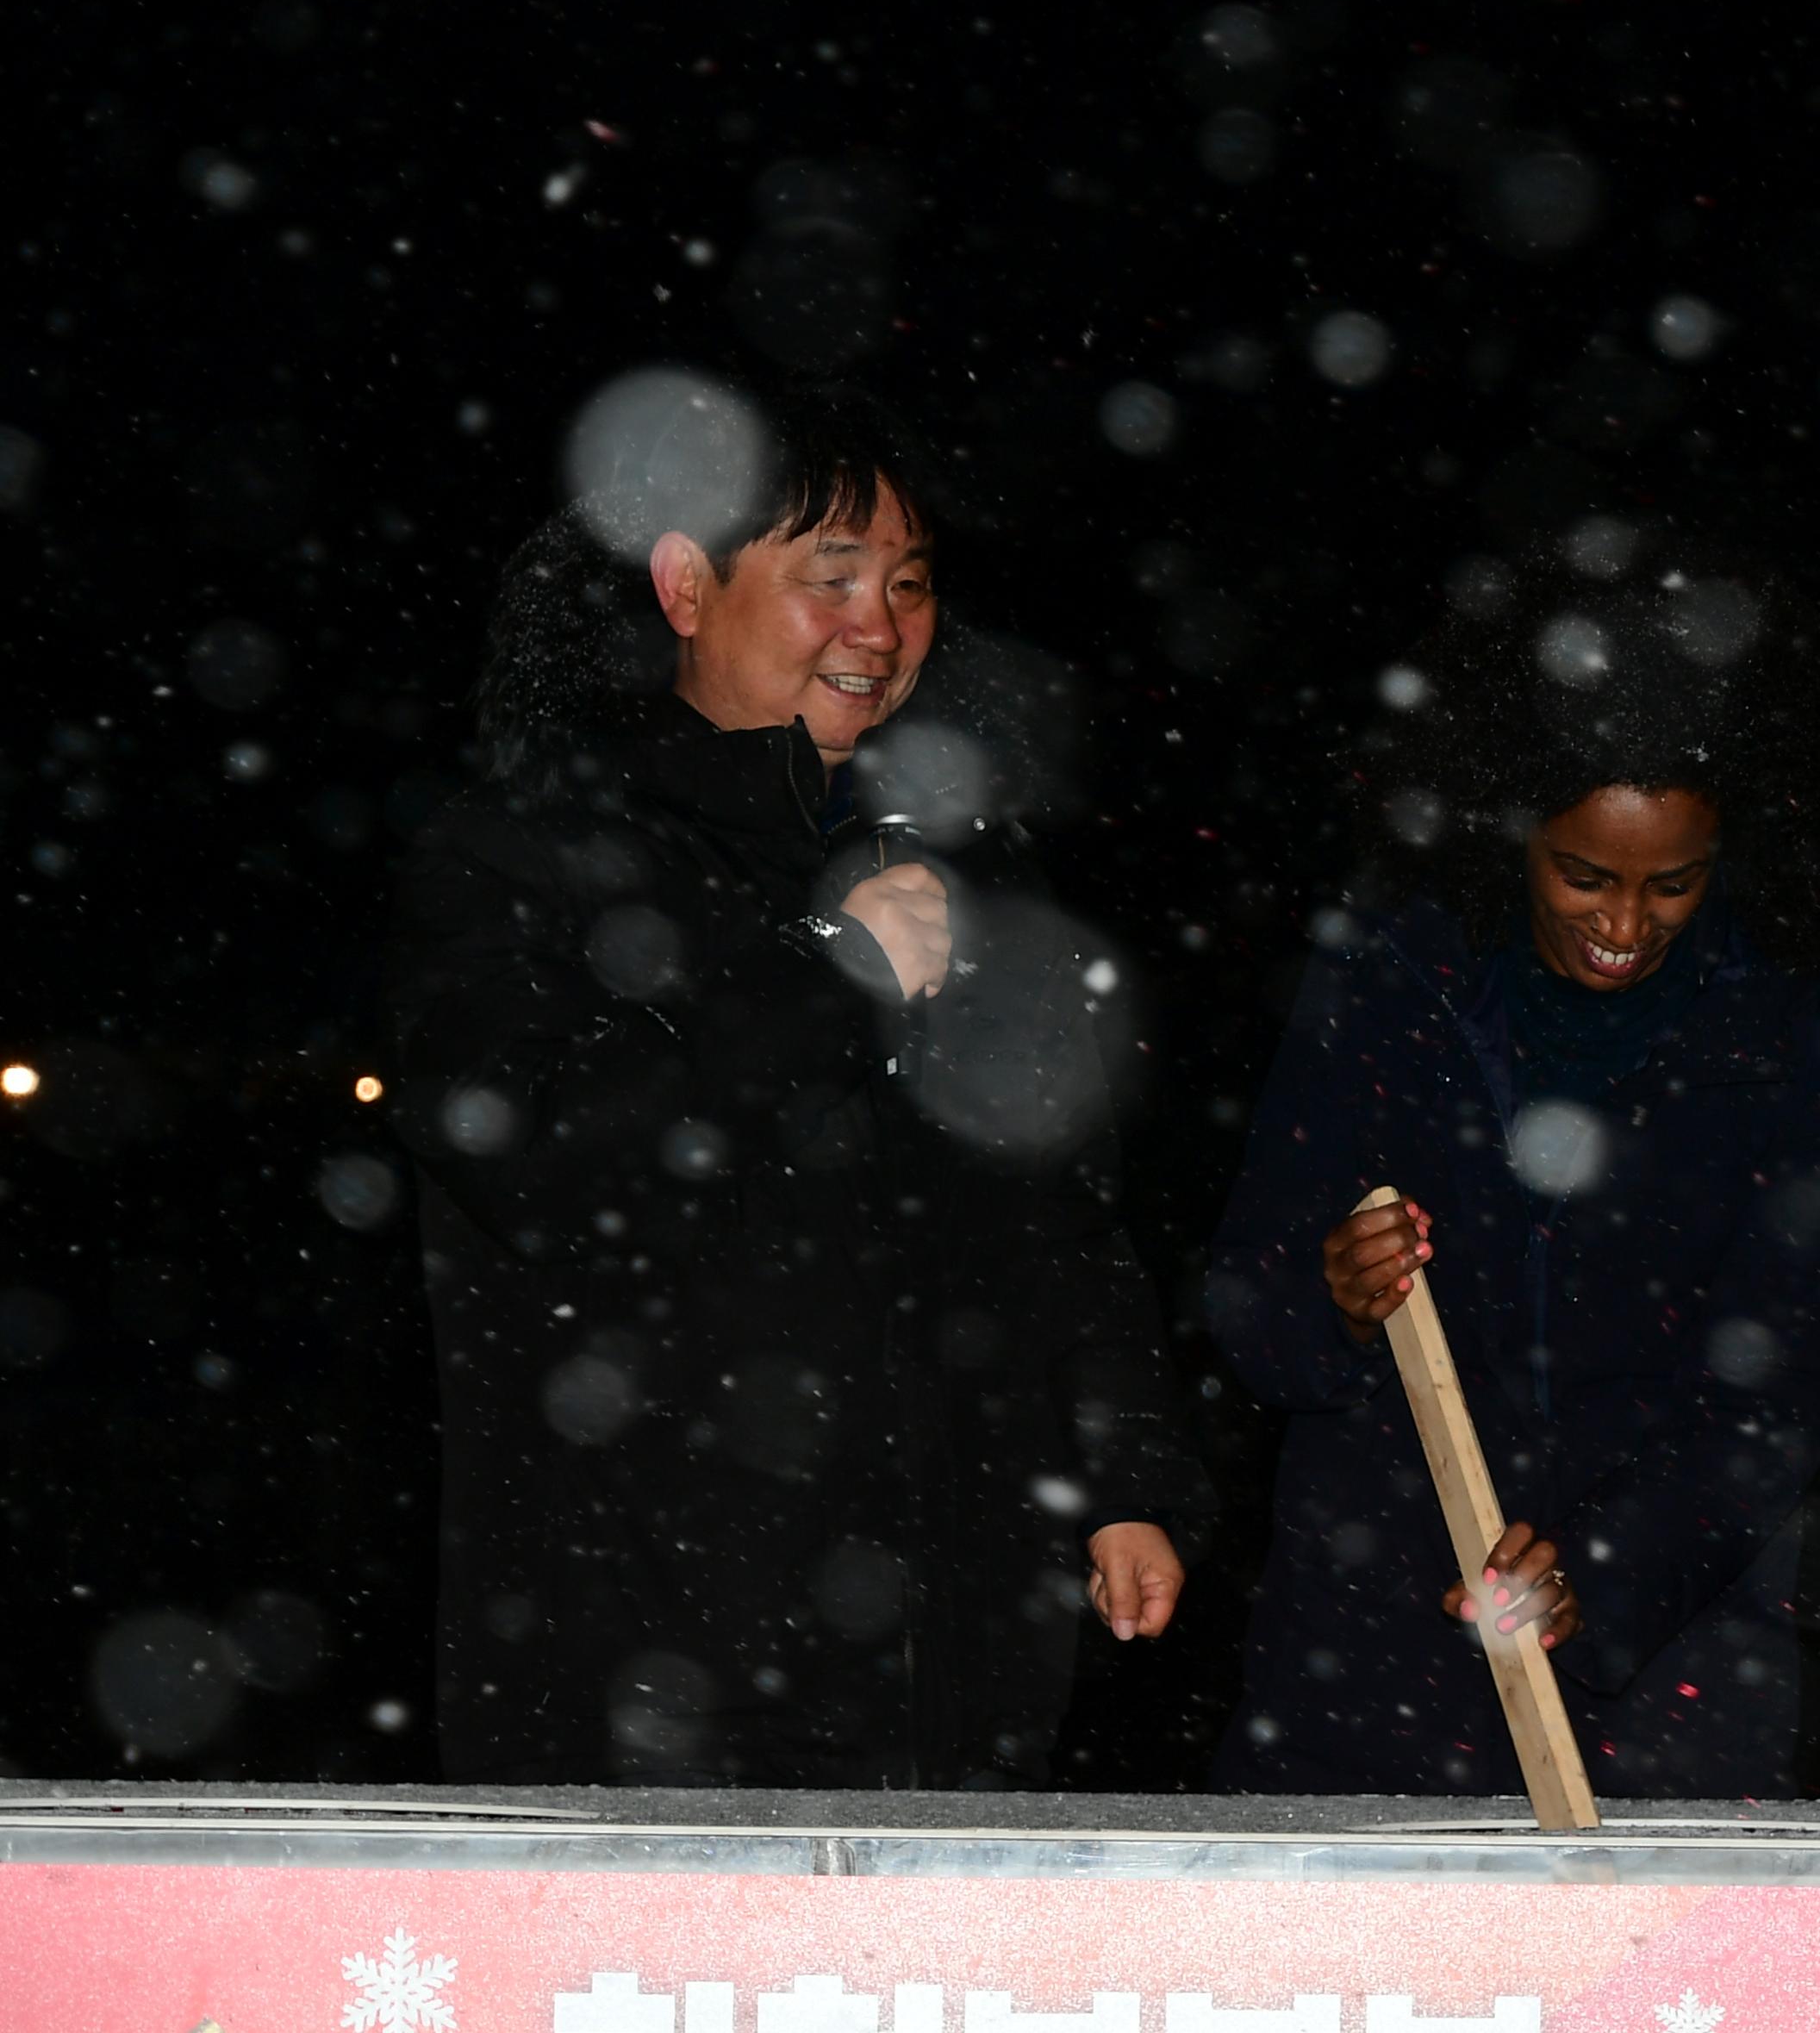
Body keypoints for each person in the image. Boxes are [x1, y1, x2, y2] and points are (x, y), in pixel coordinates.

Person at [388, 377, 1206, 1787]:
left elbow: (1067, 1218)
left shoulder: (966, 871)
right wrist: (823, 978)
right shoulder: (524, 853)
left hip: (953, 1656)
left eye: (907, 584)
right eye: (830, 578)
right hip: (647, 1663)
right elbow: (538, 1161)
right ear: (687, 583)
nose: (878, 630)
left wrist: (1128, 1477)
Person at [1202, 531, 1820, 1799]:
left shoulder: (1793, 1044)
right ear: (1511, 829)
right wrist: (1333, 1300)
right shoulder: (1387, 986)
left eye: (1671, 886)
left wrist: (1608, 1571)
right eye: (1584, 877)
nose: (1626, 926)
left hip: (1673, 1682)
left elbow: (1779, 1393)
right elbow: (1250, 1310)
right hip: (1368, 1660)